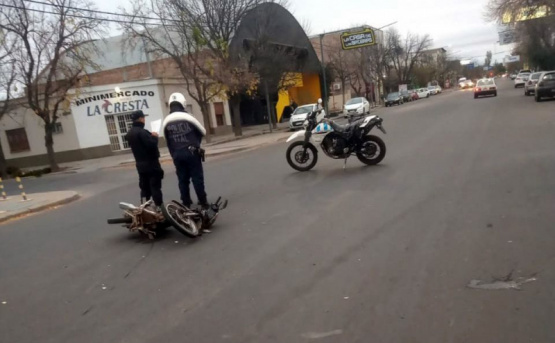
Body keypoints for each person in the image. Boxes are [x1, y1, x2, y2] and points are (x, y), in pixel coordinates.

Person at [161, 93, 209, 209]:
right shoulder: (189, 117)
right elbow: (203, 131)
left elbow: (165, 138)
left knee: (182, 179)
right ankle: (203, 202)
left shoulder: (166, 121)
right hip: (192, 152)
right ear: (183, 103)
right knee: (197, 178)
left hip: (177, 154)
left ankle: (186, 202)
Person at [125, 110, 164, 210]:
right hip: (151, 164)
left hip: (140, 164)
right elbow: (151, 145)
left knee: (144, 186)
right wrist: (155, 137)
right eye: (144, 118)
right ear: (141, 119)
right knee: (155, 186)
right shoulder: (142, 132)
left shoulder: (130, 133)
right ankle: (159, 207)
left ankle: (144, 206)